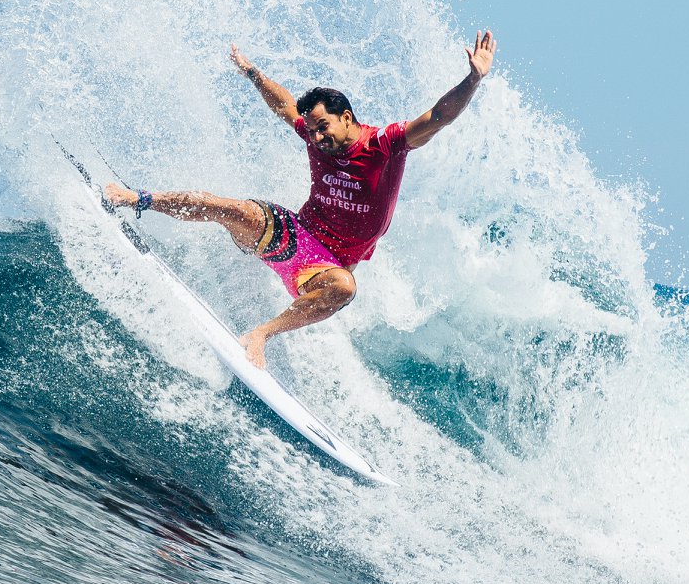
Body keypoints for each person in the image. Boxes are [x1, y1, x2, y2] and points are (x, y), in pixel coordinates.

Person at [104, 31, 496, 367]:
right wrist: (253, 73)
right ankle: (135, 198)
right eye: (311, 131)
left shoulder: (386, 144)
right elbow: (283, 105)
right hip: (293, 235)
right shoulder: (315, 136)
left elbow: (439, 116)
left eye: (323, 127)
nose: (317, 138)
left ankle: (261, 335)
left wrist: (472, 80)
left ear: (347, 117)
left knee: (344, 289)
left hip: (324, 267)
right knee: (229, 208)